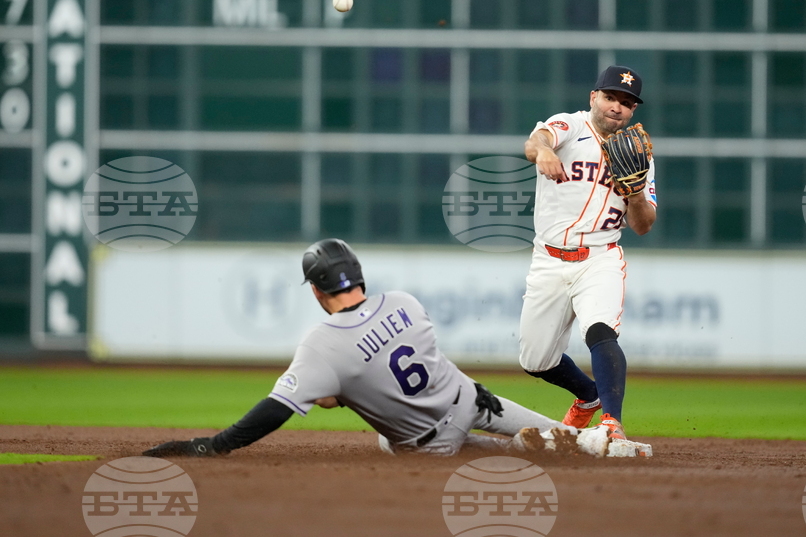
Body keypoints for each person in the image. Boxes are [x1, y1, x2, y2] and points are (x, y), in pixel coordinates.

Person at [143, 239, 592, 458]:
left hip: (433, 442)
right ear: (359, 275)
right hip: (474, 398)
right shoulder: (404, 302)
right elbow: (420, 360)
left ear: (317, 292)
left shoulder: (323, 346)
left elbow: (276, 408)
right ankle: (595, 442)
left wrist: (214, 446)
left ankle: (525, 449)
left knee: (388, 442)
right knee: (567, 441)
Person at [518, 65, 656, 442]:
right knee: (535, 361)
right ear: (594, 97)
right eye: (611, 97)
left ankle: (612, 422)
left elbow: (643, 225)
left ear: (633, 112)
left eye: (627, 103)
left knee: (600, 331)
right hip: (548, 258)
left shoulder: (638, 155)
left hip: (600, 255)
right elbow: (536, 141)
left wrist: (636, 192)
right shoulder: (570, 125)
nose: (617, 107)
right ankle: (589, 395)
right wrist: (543, 151)